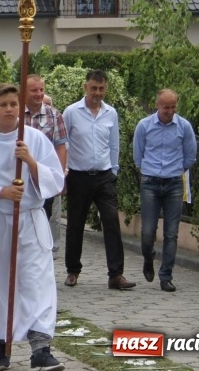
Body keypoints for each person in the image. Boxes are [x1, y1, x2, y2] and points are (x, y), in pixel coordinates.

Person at [0, 83, 65, 371]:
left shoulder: (34, 139)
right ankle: (2, 346)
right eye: (3, 104)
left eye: (14, 104)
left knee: (36, 283)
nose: (9, 109)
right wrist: (1, 192)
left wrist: (30, 162)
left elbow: (56, 179)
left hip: (29, 221)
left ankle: (41, 350)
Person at [63, 69, 135, 290]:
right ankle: (73, 270)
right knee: (75, 224)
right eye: (93, 88)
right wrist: (64, 173)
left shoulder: (110, 113)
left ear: (106, 88)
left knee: (112, 221)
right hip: (78, 175)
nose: (97, 92)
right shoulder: (71, 112)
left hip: (104, 176)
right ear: (85, 87)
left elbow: (114, 144)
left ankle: (116, 274)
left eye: (101, 88)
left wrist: (113, 171)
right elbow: (63, 144)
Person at [133, 89, 197, 292]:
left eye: (173, 107)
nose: (169, 111)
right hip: (150, 182)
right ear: (157, 105)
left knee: (171, 233)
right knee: (147, 231)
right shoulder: (144, 126)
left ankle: (166, 276)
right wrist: (148, 171)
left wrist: (176, 170)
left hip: (173, 183)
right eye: (165, 107)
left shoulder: (184, 127)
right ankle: (148, 257)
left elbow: (190, 155)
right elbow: (138, 154)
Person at [24, 75, 68, 256]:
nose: (39, 94)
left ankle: (41, 257)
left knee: (44, 218)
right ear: (24, 92)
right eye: (34, 90)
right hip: (21, 178)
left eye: (41, 90)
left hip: (44, 178)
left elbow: (61, 147)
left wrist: (59, 177)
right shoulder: (16, 115)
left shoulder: (54, 114)